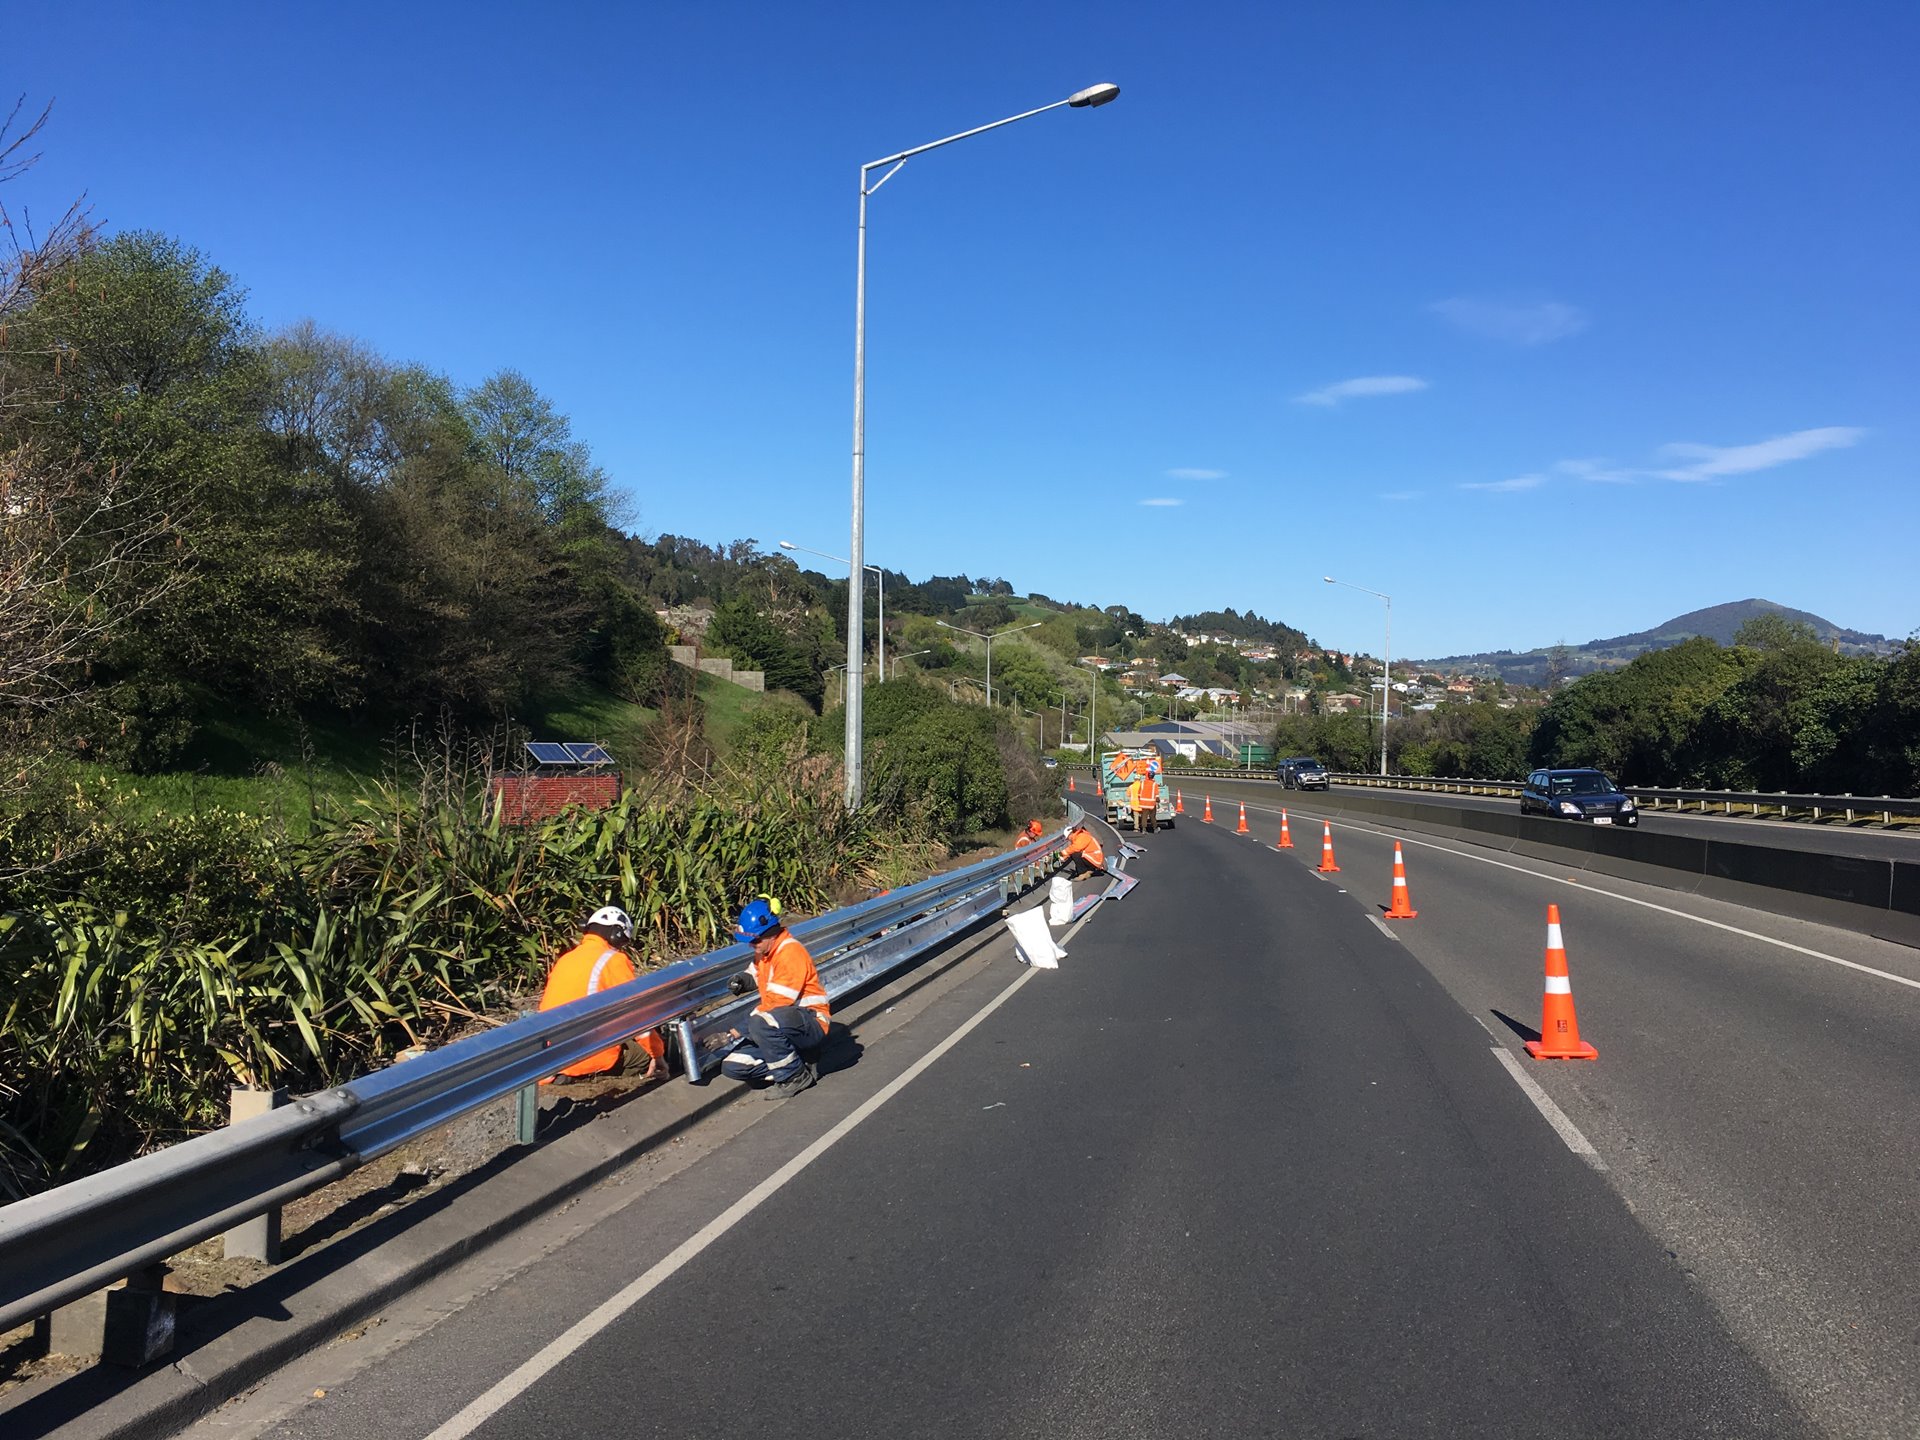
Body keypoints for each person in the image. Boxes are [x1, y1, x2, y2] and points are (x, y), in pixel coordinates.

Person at [537, 906, 665, 1084]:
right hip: (584, 1055)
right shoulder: (613, 960)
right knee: (642, 1056)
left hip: (552, 1058)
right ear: (616, 934)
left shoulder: (566, 959)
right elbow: (636, 1015)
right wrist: (657, 1054)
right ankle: (592, 1078)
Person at [718, 897, 830, 1099]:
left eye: (755, 940)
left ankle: (794, 1077)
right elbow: (756, 973)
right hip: (782, 1025)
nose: (752, 946)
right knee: (733, 1067)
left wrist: (732, 1034)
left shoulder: (790, 953)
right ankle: (799, 1063)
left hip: (810, 1022)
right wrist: (741, 980)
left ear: (771, 933)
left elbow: (775, 1005)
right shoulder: (765, 951)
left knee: (760, 1022)